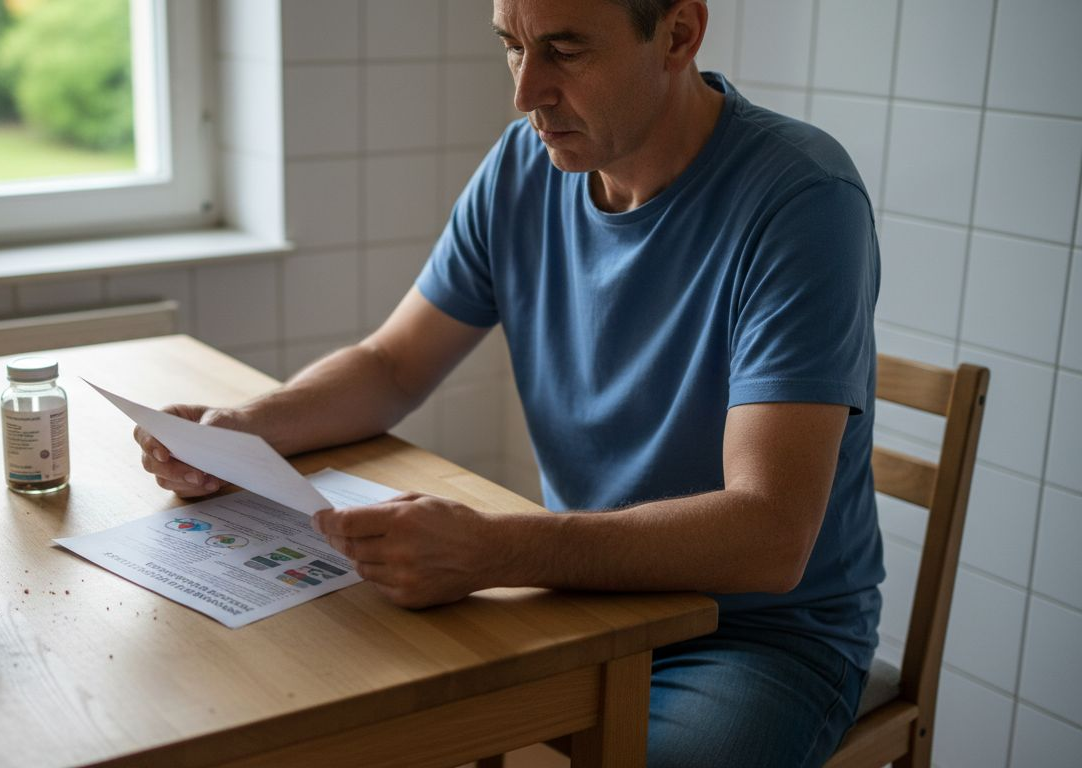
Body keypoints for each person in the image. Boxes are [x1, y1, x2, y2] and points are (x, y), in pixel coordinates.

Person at [134, 0, 882, 763]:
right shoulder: (526, 164)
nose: (527, 93)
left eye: (564, 50)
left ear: (679, 35)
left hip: (755, 639)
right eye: (512, 48)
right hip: (582, 603)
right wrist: (244, 428)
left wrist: (497, 552)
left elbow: (769, 535)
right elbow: (393, 366)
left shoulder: (802, 198)